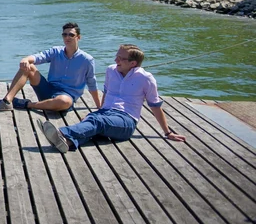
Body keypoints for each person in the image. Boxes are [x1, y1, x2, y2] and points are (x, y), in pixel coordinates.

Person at [39, 44, 186, 152]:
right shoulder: (111, 71)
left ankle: (61, 133)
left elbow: (155, 106)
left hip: (126, 121)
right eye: (117, 56)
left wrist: (168, 133)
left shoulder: (146, 78)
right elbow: (107, 94)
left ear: (133, 63)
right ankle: (66, 142)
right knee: (91, 122)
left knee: (97, 122)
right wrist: (98, 111)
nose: (116, 60)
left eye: (121, 58)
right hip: (105, 113)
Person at [0, 22, 100, 113]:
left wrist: (99, 106)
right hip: (48, 90)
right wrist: (26, 59)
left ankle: (27, 104)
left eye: (71, 35)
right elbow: (40, 56)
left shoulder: (87, 59)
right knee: (29, 66)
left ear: (78, 37)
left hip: (66, 97)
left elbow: (92, 83)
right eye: (64, 34)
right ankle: (7, 101)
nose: (67, 37)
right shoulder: (56, 51)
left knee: (64, 101)